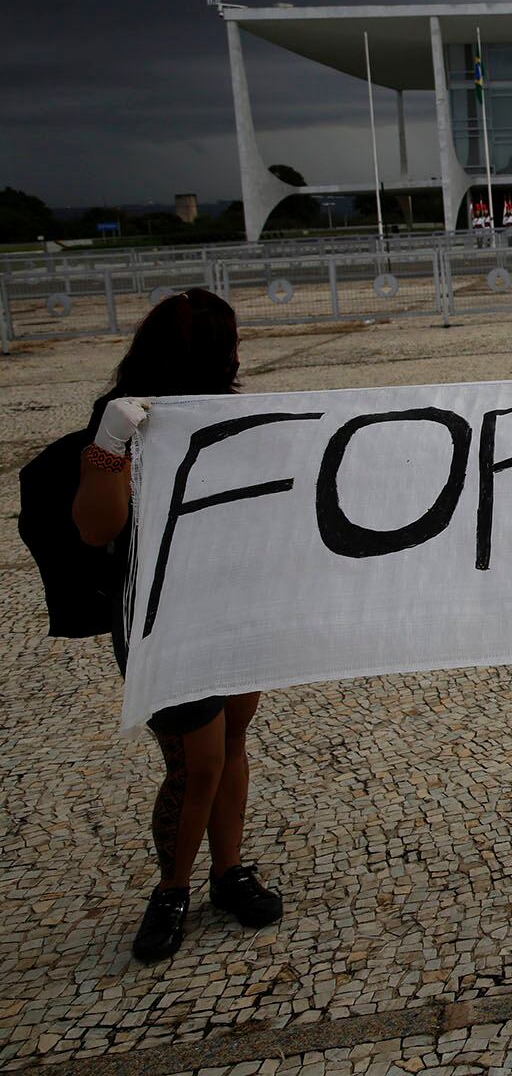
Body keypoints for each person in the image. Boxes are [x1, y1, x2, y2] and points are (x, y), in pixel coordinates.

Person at [71, 289, 283, 962]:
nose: (236, 356)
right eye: (229, 345)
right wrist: (108, 446)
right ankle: (170, 890)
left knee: (233, 740)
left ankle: (227, 873)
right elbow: (95, 527)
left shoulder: (221, 414)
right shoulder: (127, 424)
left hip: (229, 604)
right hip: (161, 618)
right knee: (197, 761)